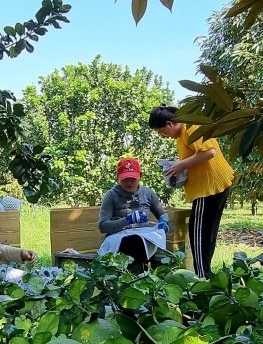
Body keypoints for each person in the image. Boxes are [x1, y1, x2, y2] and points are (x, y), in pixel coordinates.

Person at [149, 105, 235, 279]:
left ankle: (202, 277)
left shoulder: (190, 127)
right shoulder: (184, 133)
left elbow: (210, 152)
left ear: (169, 123)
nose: (163, 136)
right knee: (207, 233)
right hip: (214, 186)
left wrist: (180, 165)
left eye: (161, 132)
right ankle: (207, 277)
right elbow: (197, 157)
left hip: (208, 188)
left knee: (198, 234)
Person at [98, 157, 171, 273]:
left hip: (144, 240)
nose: (129, 182)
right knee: (132, 242)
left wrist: (164, 222)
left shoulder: (147, 193)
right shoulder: (111, 196)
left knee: (144, 242)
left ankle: (146, 273)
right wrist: (127, 220)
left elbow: (162, 214)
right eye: (125, 179)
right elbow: (103, 226)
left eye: (133, 178)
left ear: (140, 176)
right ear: (118, 177)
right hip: (120, 240)